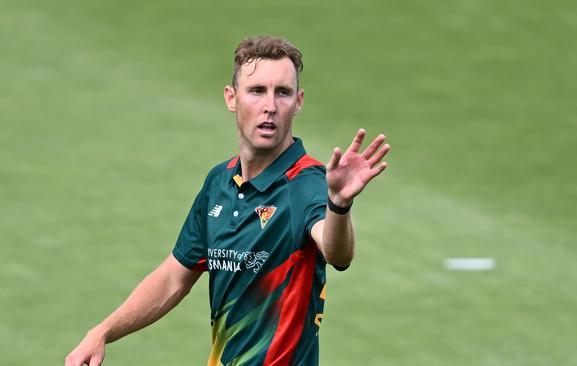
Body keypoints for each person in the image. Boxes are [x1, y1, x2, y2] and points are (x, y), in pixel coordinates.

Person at [65, 35, 390, 366]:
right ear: (231, 98)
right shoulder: (218, 182)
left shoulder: (307, 183)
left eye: (283, 92)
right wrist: (103, 331)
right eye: (257, 91)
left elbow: (337, 252)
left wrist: (339, 204)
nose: (270, 106)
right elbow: (173, 278)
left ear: (299, 101)